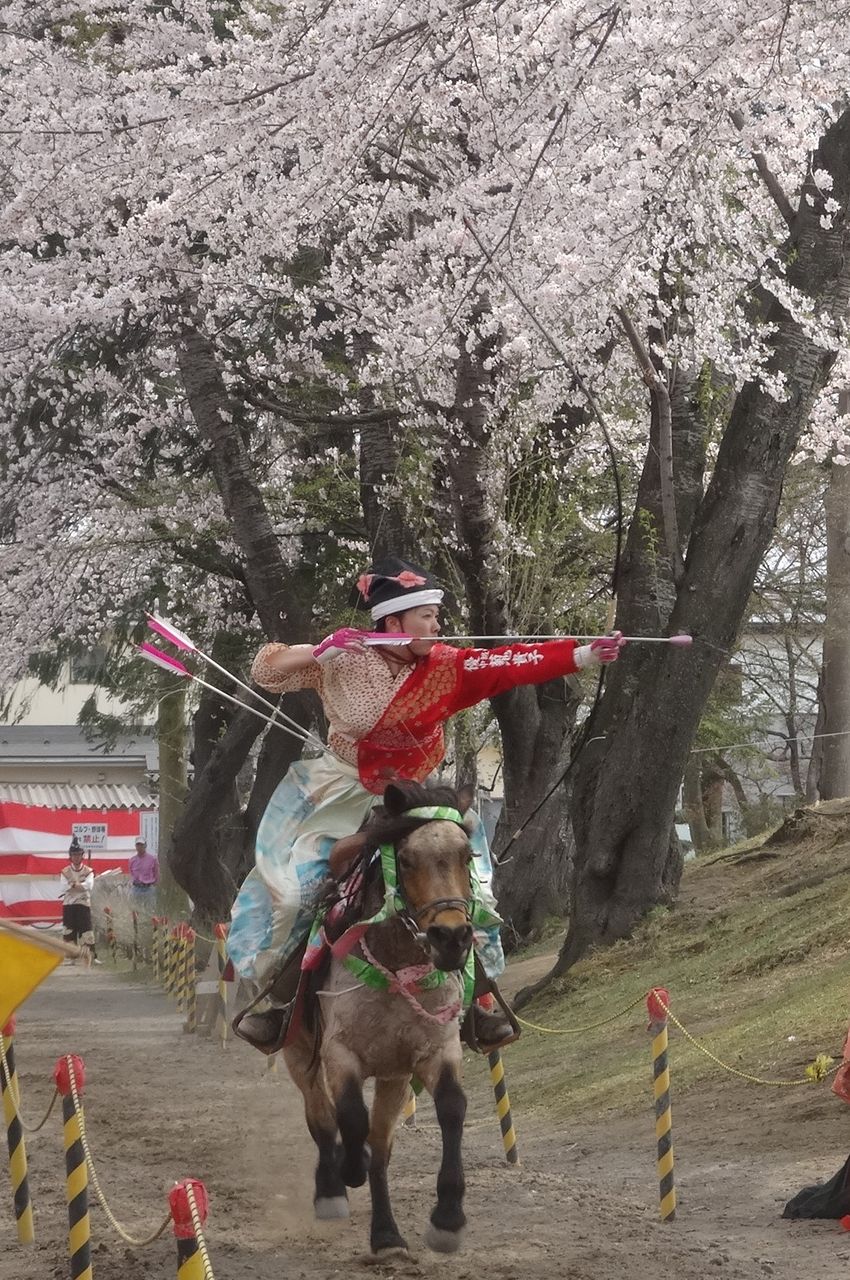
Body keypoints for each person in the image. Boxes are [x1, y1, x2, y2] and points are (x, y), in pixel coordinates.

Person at [229, 556, 625, 1051]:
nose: (438, 626)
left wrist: (584, 653)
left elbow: (510, 664)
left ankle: (478, 1004)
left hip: (416, 798)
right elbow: (266, 670)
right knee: (294, 895)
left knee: (474, 895)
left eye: (436, 616)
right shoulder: (345, 658)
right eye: (427, 616)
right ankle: (280, 1003)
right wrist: (319, 650)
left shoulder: (445, 666)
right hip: (337, 792)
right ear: (394, 622)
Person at [59, 839, 99, 962]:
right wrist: (78, 885)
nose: (76, 857)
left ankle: (90, 956)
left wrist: (74, 885)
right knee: (69, 930)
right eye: (74, 854)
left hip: (83, 903)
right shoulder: (65, 871)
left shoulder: (88, 871)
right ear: (70, 856)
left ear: (82, 855)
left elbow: (89, 886)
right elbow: (63, 887)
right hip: (69, 904)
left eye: (78, 854)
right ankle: (71, 957)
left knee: (86, 930)